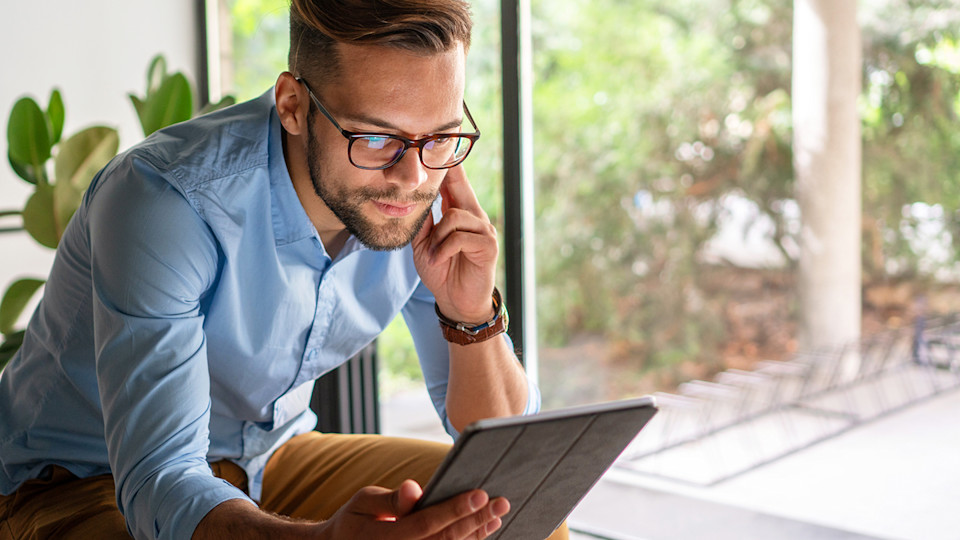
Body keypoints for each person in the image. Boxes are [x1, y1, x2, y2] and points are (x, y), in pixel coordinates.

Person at [0, 1, 568, 538]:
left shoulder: (425, 189)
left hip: (269, 459)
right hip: (74, 480)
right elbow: (160, 481)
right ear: (293, 105)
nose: (413, 177)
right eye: (375, 138)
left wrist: (471, 314)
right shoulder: (165, 201)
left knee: (515, 513)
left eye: (440, 136)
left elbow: (499, 449)